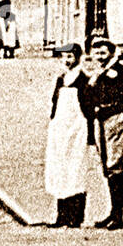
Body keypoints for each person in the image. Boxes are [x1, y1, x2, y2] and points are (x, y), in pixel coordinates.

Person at [80, 36, 123, 229]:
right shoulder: (95, 74)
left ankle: (118, 216)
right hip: (99, 122)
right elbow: (86, 99)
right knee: (106, 167)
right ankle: (112, 212)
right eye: (96, 53)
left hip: (117, 121)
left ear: (111, 52)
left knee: (115, 165)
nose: (99, 56)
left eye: (103, 52)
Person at [45, 45, 90, 227]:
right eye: (63, 57)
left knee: (76, 169)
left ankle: (76, 217)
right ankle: (61, 216)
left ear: (78, 58)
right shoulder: (61, 79)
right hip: (60, 130)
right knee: (60, 169)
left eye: (70, 57)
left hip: (78, 130)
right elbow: (55, 105)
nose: (66, 61)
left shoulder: (83, 80)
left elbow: (87, 107)